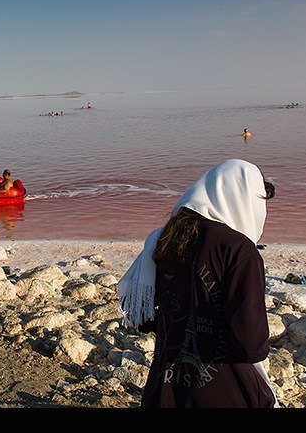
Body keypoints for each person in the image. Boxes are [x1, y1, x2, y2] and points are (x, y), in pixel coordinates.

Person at [117, 159, 278, 408]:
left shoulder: (164, 237)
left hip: (166, 390)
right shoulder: (239, 250)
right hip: (225, 390)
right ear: (245, 200)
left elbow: (140, 314)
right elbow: (252, 346)